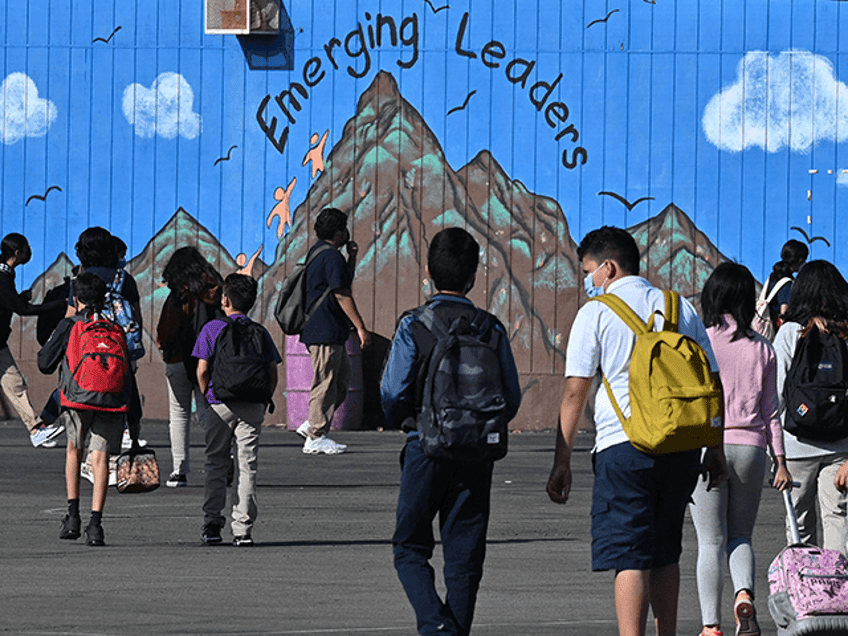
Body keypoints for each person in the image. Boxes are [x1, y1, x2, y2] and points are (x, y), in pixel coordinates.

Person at [545, 225, 727, 636]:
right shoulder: (680, 307)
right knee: (666, 553)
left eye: (589, 271)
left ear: (607, 267)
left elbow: (575, 393)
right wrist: (714, 448)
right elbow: (713, 383)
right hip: (682, 445)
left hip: (622, 449)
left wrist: (562, 461)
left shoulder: (595, 312)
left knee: (630, 555)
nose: (588, 281)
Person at [382, 227, 522, 636]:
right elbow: (509, 397)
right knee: (465, 558)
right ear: (473, 277)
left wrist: (408, 421)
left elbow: (392, 392)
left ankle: (435, 626)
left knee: (409, 547)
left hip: (424, 447)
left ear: (428, 271)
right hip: (476, 453)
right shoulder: (490, 328)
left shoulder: (414, 324)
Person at [691, 262, 792, 636]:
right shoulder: (762, 349)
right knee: (740, 535)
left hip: (707, 447)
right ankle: (743, 594)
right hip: (752, 447)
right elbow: (772, 412)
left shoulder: (701, 343)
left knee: (709, 541)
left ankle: (710, 626)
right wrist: (779, 460)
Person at [38, 272, 127, 546]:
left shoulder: (69, 325)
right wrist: (133, 420)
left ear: (76, 298)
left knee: (74, 451)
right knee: (100, 460)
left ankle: (73, 516)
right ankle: (96, 525)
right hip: (112, 400)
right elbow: (128, 375)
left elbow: (44, 363)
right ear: (103, 298)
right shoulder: (116, 328)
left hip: (77, 398)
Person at [192, 273, 281, 546]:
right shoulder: (260, 332)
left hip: (220, 403)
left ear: (226, 299)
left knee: (216, 462)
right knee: (247, 464)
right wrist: (265, 398)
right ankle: (242, 528)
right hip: (253, 404)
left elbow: (202, 369)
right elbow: (272, 371)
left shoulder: (212, 328)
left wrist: (208, 396)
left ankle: (212, 523)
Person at [773, 260, 848, 556]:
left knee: (799, 524)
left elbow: (776, 393)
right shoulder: (846, 333)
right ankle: (839, 593)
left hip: (796, 445)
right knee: (838, 518)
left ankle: (805, 592)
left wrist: (775, 452)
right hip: (840, 446)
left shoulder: (791, 332)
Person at [296, 207, 370, 455]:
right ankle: (316, 435)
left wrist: (352, 257)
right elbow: (342, 293)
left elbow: (341, 281)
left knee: (341, 382)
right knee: (325, 382)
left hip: (329, 330)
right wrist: (360, 327)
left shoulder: (323, 254)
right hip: (324, 329)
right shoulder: (329, 256)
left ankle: (313, 423)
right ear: (338, 231)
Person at [68, 228, 145, 450]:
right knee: (121, 397)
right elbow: (136, 318)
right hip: (118, 350)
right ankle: (111, 453)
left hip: (85, 351)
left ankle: (80, 450)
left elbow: (70, 316)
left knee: (83, 394)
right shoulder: (125, 279)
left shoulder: (79, 280)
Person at [156, 246, 224, 488]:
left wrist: (165, 348)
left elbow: (166, 330)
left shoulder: (177, 296)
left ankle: (179, 470)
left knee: (179, 414)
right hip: (210, 359)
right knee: (209, 411)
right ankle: (222, 460)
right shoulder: (215, 290)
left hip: (178, 359)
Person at [0, 232, 66, 447]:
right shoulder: (2, 276)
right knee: (14, 383)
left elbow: (10, 304)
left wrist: (18, 298)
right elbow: (22, 310)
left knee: (15, 383)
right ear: (18, 253)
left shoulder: (7, 273)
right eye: (26, 248)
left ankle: (36, 429)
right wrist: (57, 306)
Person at [763, 239, 808, 331]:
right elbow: (784, 313)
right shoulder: (787, 283)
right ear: (799, 261)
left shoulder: (772, 277)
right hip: (775, 332)